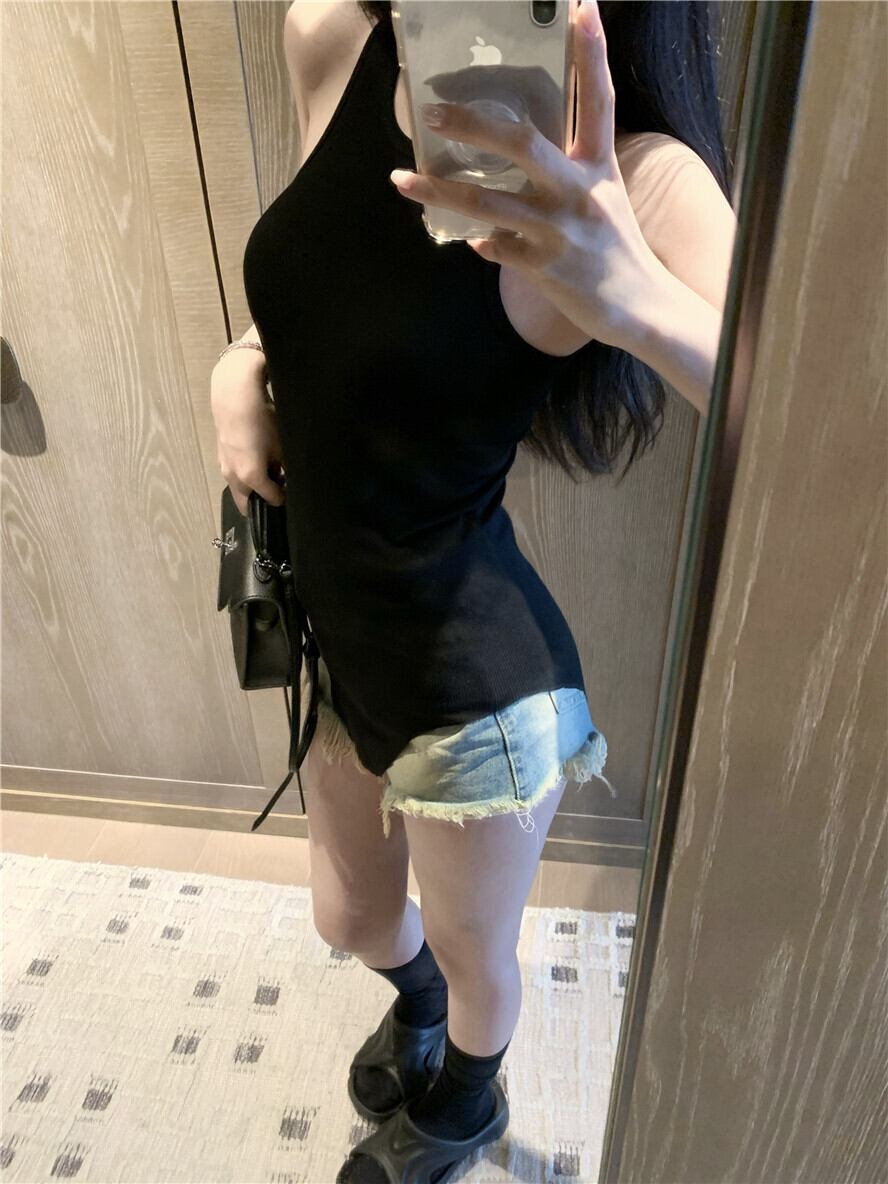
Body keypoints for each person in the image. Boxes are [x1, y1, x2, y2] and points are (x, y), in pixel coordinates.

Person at [210, 1, 736, 1180]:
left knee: (473, 951)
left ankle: (464, 1103)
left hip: (475, 689)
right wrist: (240, 362)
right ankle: (423, 1007)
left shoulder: (642, 179)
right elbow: (327, 283)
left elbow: (825, 431)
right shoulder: (336, 37)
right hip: (344, 641)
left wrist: (632, 296)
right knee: (351, 917)